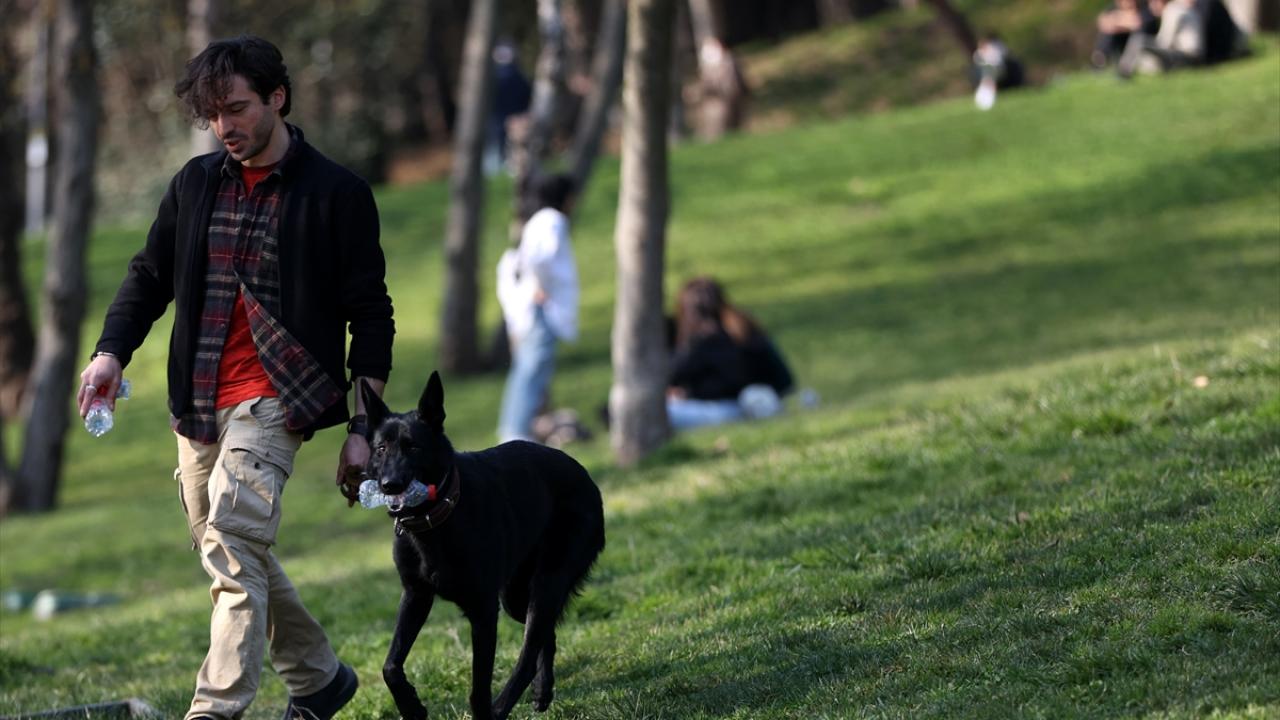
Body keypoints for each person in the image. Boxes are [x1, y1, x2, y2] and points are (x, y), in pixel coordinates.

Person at [76, 36, 394, 720]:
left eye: (238, 107)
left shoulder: (337, 195)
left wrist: (366, 429)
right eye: (213, 114)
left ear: (277, 97)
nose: (225, 126)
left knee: (232, 532)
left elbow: (371, 317)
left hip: (279, 401)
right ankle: (319, 678)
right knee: (233, 552)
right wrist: (110, 353)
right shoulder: (195, 185)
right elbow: (147, 277)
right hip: (195, 404)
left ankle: (213, 710)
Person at [496, 173, 579, 442]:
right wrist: (540, 286)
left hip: (531, 309)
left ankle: (519, 429)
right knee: (531, 372)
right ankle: (516, 433)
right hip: (542, 309)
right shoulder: (552, 221)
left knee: (527, 370)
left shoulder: (535, 222)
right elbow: (541, 257)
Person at [666, 277, 793, 430]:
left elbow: (726, 384)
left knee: (664, 412)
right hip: (758, 403)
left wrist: (689, 393)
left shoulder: (705, 340)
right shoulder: (743, 328)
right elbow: (784, 380)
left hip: (730, 409)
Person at [1093, 0, 1160, 69]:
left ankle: (1124, 67)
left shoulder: (1145, 6)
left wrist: (1117, 19)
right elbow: (1102, 22)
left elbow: (1136, 23)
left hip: (1148, 46)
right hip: (1124, 44)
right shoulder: (1115, 7)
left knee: (1136, 38)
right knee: (1108, 33)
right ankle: (1100, 60)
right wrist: (1122, 21)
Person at [971, 33, 1025, 111]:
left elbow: (998, 61)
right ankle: (984, 102)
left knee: (991, 84)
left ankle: (990, 101)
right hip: (987, 74)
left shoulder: (994, 50)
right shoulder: (979, 53)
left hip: (996, 72)